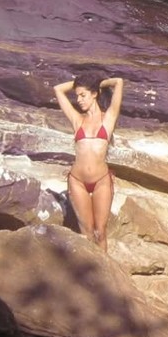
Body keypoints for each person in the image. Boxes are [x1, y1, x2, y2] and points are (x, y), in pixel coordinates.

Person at [53, 74, 124, 251]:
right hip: (77, 182)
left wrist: (97, 83)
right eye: (76, 95)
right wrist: (82, 84)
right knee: (87, 234)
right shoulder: (77, 119)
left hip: (101, 181)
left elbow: (118, 82)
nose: (78, 100)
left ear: (94, 94)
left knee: (100, 232)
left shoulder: (108, 118)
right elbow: (58, 89)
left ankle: (104, 274)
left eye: (82, 95)